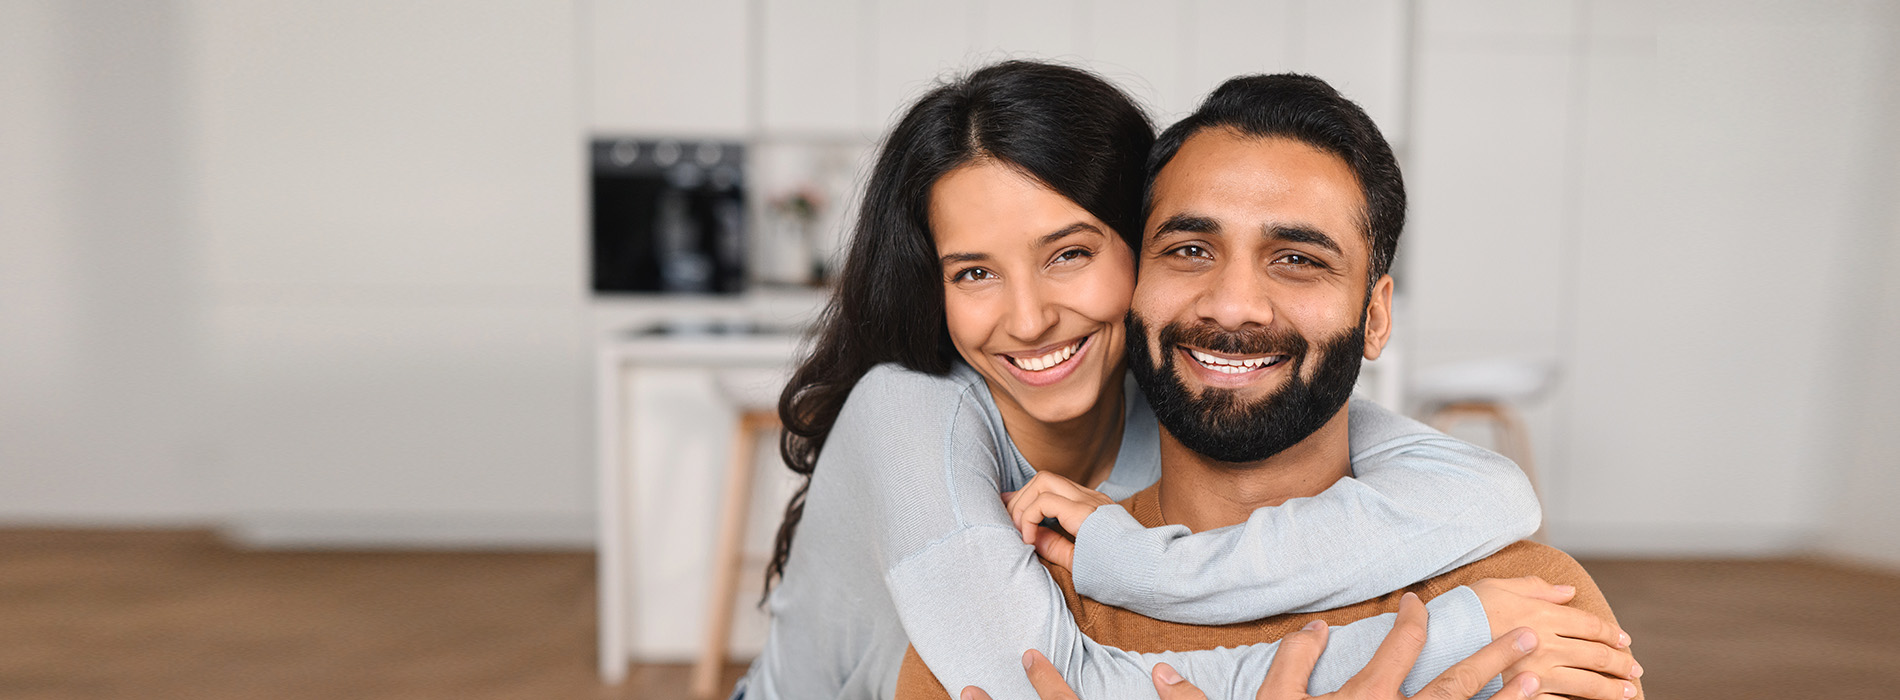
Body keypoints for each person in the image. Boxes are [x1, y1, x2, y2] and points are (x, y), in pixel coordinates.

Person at [737, 60, 1569, 700]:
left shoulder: (1180, 399)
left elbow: (1485, 494)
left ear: (1143, 254)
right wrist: (1448, 639)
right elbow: (1039, 686)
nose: (1027, 320)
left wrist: (1136, 561)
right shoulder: (910, 414)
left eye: (1069, 254)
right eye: (974, 273)